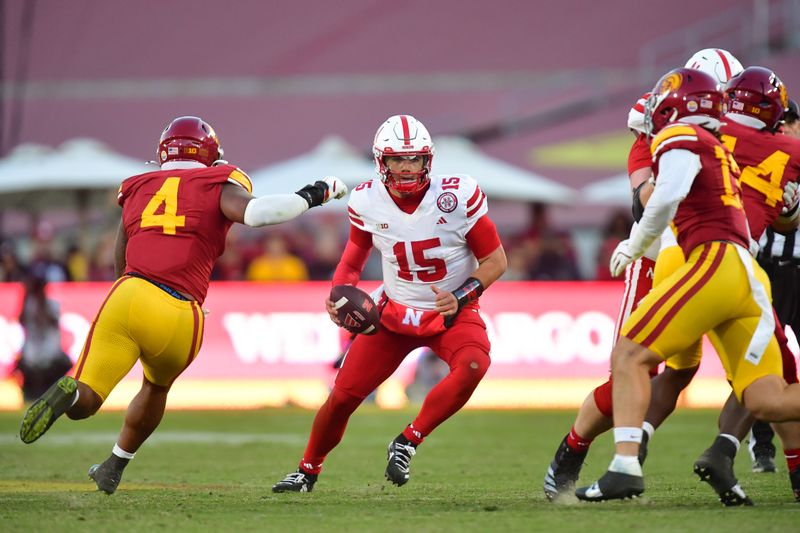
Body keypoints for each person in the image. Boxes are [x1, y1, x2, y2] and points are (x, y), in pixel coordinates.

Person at [18, 116, 347, 494]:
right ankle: (113, 465)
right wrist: (315, 193)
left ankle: (69, 394)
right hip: (181, 310)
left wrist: (128, 298)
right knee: (156, 388)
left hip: (129, 293)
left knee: (88, 397)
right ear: (209, 153)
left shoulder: (137, 186)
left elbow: (120, 255)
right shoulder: (216, 182)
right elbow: (258, 214)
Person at [575, 67, 800, 503]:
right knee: (767, 399)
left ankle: (624, 467)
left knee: (628, 354)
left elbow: (665, 195)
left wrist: (635, 241)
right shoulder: (781, 148)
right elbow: (787, 214)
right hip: (750, 273)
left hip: (711, 259)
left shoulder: (687, 136)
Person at [543, 48, 744, 501]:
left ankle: (730, 447)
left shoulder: (741, 131)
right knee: (630, 370)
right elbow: (648, 198)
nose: (723, 109)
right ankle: (574, 447)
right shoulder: (659, 124)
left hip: (721, 257)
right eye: (717, 97)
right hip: (660, 256)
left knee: (747, 367)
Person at [272, 114, 507, 492]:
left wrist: (463, 295)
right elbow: (352, 261)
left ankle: (408, 441)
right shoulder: (367, 200)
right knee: (343, 397)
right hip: (392, 315)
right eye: (398, 159)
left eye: (414, 158)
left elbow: (496, 260)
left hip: (449, 311)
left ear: (428, 159)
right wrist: (337, 295)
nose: (407, 167)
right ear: (382, 162)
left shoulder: (457, 196)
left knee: (474, 364)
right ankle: (307, 470)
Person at [752, 98, 800, 474]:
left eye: (786, 122)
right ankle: (762, 444)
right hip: (770, 268)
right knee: (763, 358)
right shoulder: (769, 157)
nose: (781, 128)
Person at [15, 263, 73, 402]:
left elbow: (53, 320)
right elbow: (21, 321)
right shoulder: (28, 304)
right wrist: (26, 296)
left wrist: (41, 303)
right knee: (21, 366)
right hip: (33, 350)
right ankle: (30, 393)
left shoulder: (51, 303)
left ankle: (51, 393)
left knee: (63, 363)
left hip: (50, 351)